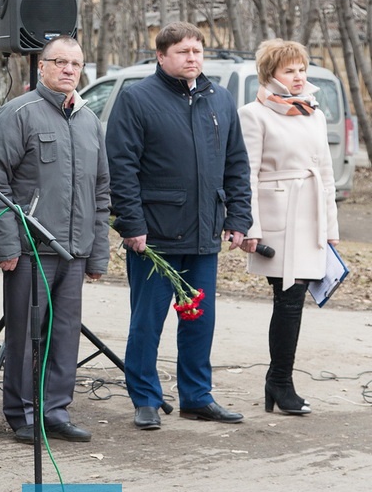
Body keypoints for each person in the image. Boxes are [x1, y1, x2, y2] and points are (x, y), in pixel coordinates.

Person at [106, 22, 252, 430]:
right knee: (147, 321)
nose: (192, 58)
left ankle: (197, 397)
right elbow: (122, 168)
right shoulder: (137, 99)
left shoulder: (219, 100)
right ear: (161, 56)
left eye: (197, 51)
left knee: (199, 319)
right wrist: (131, 225)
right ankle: (146, 398)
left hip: (205, 233)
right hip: (154, 236)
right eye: (184, 52)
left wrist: (238, 217)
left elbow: (237, 164)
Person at [0, 36, 110, 444]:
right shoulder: (18, 114)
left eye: (75, 63)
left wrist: (97, 254)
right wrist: (7, 246)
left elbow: (101, 191)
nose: (68, 70)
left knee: (64, 333)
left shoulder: (90, 121)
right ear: (42, 67)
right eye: (60, 62)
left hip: (74, 250)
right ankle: (21, 414)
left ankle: (54, 410)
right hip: (31, 249)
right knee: (26, 334)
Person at [238, 39, 339, 415]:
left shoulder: (313, 112)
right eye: (289, 71)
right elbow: (244, 174)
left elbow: (325, 174)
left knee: (293, 301)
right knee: (289, 300)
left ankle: (278, 381)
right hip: (279, 218)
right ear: (271, 74)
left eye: (301, 69)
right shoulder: (253, 113)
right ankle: (280, 382)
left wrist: (330, 228)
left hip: (310, 215)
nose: (298, 77)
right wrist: (251, 226)